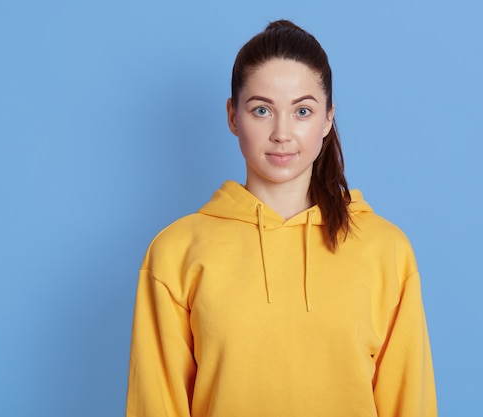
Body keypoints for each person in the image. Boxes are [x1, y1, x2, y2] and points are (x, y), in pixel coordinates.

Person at [126, 19, 437, 417]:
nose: (282, 133)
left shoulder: (386, 250)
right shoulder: (176, 253)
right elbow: (156, 406)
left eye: (302, 111)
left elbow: (409, 405)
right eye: (261, 110)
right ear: (233, 116)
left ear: (327, 118)